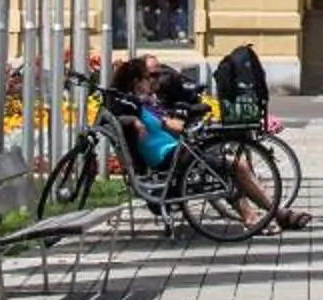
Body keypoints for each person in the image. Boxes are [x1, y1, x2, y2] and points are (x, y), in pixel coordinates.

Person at [110, 55, 309, 228]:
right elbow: (112, 114)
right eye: (148, 77)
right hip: (168, 157)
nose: (153, 81)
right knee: (234, 165)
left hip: (176, 151)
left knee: (231, 166)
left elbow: (170, 124)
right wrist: (134, 121)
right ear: (136, 82)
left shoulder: (144, 104)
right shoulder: (135, 105)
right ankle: (261, 216)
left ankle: (270, 214)